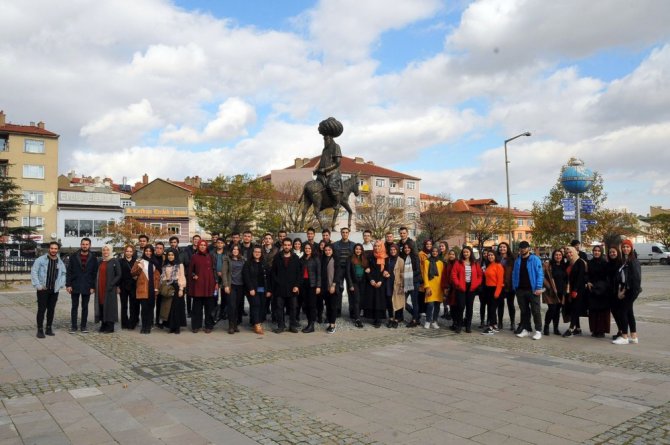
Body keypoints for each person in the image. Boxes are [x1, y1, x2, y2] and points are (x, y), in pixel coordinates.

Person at [31, 242, 67, 338]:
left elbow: (64, 273)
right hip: (43, 289)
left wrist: (60, 285)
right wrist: (38, 285)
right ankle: (40, 330)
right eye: (52, 248)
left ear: (57, 250)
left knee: (51, 310)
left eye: (55, 248)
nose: (53, 250)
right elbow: (34, 271)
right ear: (49, 249)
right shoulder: (41, 260)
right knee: (42, 310)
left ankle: (48, 328)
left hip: (54, 290)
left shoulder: (59, 262)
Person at [512, 241, 544, 340]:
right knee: (524, 311)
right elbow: (514, 274)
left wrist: (538, 287)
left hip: (533, 290)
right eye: (521, 247)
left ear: (528, 248)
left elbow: (540, 274)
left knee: (536, 310)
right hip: (520, 290)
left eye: (524, 247)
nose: (522, 249)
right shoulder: (518, 260)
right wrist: (515, 287)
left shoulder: (535, 259)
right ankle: (527, 329)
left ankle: (538, 331)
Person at [66, 237, 98, 333]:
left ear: (89, 245)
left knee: (85, 307)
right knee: (74, 306)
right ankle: (74, 326)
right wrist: (68, 285)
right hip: (75, 284)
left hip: (87, 286)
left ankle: (83, 326)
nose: (85, 246)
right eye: (83, 244)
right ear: (81, 245)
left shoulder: (93, 258)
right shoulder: (73, 256)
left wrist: (93, 286)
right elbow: (69, 271)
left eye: (86, 244)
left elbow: (94, 273)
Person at [612, 239, 642, 345]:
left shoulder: (633, 261)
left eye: (628, 247)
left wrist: (624, 292)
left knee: (623, 312)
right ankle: (634, 336)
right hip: (627, 290)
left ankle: (624, 336)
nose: (625, 249)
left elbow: (636, 279)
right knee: (629, 312)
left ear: (631, 248)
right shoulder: (625, 260)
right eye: (624, 247)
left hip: (630, 291)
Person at [271, 238, 302, 333]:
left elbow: (299, 273)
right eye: (285, 245)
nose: (287, 246)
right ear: (282, 245)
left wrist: (297, 285)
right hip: (280, 288)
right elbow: (273, 272)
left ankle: (292, 325)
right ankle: (281, 325)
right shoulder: (277, 257)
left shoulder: (295, 258)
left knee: (293, 307)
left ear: (291, 246)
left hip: (292, 288)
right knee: (279, 308)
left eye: (289, 245)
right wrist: (277, 282)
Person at [313, 116, 344, 209]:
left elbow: (337, 163)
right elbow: (322, 162)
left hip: (333, 173)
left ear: (330, 138)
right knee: (316, 187)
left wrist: (325, 169)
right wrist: (317, 170)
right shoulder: (324, 150)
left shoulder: (336, 146)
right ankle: (322, 203)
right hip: (323, 174)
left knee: (330, 185)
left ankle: (336, 202)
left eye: (326, 139)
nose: (325, 141)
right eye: (324, 139)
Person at [451, 246, 483, 333]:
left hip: (471, 288)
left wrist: (476, 284)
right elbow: (454, 274)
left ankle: (468, 326)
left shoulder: (475, 263)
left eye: (467, 252)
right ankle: (459, 325)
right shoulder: (458, 263)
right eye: (464, 252)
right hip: (461, 287)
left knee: (470, 307)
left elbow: (480, 275)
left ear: (470, 253)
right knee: (460, 306)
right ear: (462, 253)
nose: (466, 254)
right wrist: (458, 284)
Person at [188, 240, 218, 333]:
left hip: (209, 284)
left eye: (204, 245)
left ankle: (209, 326)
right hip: (198, 285)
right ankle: (196, 326)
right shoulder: (194, 257)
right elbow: (190, 270)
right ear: (198, 246)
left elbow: (215, 270)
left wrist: (216, 282)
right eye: (201, 245)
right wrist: (193, 275)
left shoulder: (211, 256)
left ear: (206, 246)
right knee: (197, 308)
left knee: (209, 307)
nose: (202, 246)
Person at [131, 245, 160, 334]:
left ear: (152, 252)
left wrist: (156, 288)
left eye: (150, 251)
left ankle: (148, 326)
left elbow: (157, 277)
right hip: (143, 288)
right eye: (146, 251)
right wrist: (140, 267)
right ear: (144, 251)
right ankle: (144, 326)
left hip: (152, 289)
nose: (148, 252)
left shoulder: (155, 262)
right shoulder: (139, 261)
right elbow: (132, 273)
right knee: (144, 309)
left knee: (151, 308)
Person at [243, 246, 272, 335]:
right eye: (255, 251)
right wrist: (250, 288)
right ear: (252, 253)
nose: (257, 253)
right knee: (256, 304)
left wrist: (269, 290)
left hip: (263, 288)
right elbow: (246, 277)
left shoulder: (264, 263)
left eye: (259, 252)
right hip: (252, 289)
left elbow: (269, 277)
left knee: (262, 305)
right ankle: (257, 324)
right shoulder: (248, 263)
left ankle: (255, 321)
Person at [95, 245, 121, 333]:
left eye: (107, 250)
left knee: (110, 306)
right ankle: (103, 324)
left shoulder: (114, 261)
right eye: (104, 250)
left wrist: (112, 284)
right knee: (101, 305)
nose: (105, 252)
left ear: (110, 251)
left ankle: (110, 326)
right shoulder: (100, 261)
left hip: (110, 287)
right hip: (100, 286)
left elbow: (119, 275)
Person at [586, 245, 611, 338]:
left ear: (601, 252)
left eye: (598, 251)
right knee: (593, 311)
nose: (596, 252)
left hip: (603, 290)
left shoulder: (605, 263)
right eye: (595, 251)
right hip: (592, 290)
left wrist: (602, 286)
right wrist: (587, 282)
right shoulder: (589, 263)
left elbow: (607, 277)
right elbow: (586, 274)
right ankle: (594, 329)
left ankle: (602, 330)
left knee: (602, 312)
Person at [562, 245, 587, 338]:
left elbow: (580, 277)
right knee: (573, 308)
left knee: (575, 309)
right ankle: (578, 328)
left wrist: (575, 290)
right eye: (567, 253)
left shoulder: (580, 262)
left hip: (578, 290)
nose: (568, 254)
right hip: (570, 289)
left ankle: (571, 328)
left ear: (575, 252)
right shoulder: (569, 263)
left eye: (570, 252)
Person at [222, 244, 246, 334]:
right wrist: (226, 285)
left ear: (239, 250)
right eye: (234, 249)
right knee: (231, 306)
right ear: (231, 250)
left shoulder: (243, 259)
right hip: (231, 285)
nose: (235, 250)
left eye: (237, 249)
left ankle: (235, 325)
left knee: (237, 306)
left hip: (241, 286)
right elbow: (224, 273)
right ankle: (231, 326)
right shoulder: (227, 259)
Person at [162, 248, 187, 334]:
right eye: (169, 255)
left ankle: (177, 327)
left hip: (177, 286)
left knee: (177, 308)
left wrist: (181, 289)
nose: (170, 256)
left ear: (175, 255)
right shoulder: (165, 265)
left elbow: (182, 276)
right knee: (169, 307)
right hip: (169, 287)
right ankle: (170, 326)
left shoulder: (180, 265)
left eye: (172, 255)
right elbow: (164, 277)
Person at [542, 250, 567, 336]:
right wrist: (548, 286)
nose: (558, 256)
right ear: (553, 256)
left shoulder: (564, 266)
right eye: (556, 255)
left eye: (560, 255)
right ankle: (546, 326)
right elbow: (542, 276)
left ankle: (556, 328)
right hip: (551, 291)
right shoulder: (548, 265)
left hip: (561, 291)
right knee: (552, 309)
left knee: (557, 310)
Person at [333, 227, 354, 318]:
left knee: (351, 289)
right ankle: (337, 310)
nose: (345, 234)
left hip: (349, 269)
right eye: (343, 232)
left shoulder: (353, 245)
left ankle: (352, 311)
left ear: (348, 233)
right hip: (339, 269)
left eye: (346, 232)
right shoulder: (335, 245)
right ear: (341, 233)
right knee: (338, 290)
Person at [481, 250, 504, 335]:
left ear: (495, 256)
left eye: (492, 255)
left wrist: (497, 293)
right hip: (488, 289)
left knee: (492, 309)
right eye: (489, 255)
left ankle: (490, 327)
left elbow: (500, 281)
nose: (490, 256)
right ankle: (494, 326)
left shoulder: (499, 266)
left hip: (495, 289)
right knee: (491, 308)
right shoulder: (489, 265)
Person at [367, 240, 388, 328]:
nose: (377, 247)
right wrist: (371, 280)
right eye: (375, 246)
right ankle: (373, 318)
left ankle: (379, 319)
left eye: (379, 246)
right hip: (372, 282)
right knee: (373, 300)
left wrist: (380, 281)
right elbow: (367, 269)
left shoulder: (386, 257)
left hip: (381, 282)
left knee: (380, 301)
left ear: (382, 247)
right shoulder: (370, 256)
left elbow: (386, 270)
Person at [496, 242, 516, 331]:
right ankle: (500, 322)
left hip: (510, 285)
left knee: (510, 304)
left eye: (504, 247)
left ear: (507, 248)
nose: (502, 249)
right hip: (499, 285)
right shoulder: (496, 258)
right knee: (500, 305)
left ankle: (512, 322)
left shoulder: (512, 259)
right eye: (500, 247)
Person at [320, 244, 340, 333]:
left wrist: (333, 285)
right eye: (326, 250)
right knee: (328, 306)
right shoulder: (322, 259)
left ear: (332, 250)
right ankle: (329, 320)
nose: (328, 252)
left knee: (333, 306)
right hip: (325, 287)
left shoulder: (336, 259)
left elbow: (338, 273)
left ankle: (333, 325)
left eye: (329, 250)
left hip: (333, 286)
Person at [422, 246, 443, 329]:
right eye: (433, 251)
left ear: (438, 252)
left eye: (436, 251)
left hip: (438, 287)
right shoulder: (426, 262)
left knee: (437, 305)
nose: (434, 253)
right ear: (431, 252)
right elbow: (425, 274)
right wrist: (427, 286)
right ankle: (427, 321)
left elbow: (442, 276)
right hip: (430, 286)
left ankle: (434, 321)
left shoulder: (441, 263)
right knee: (430, 305)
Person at [346, 244, 367, 328]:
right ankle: (357, 319)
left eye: (360, 249)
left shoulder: (364, 259)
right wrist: (350, 284)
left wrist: (367, 269)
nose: (358, 250)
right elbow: (347, 272)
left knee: (361, 300)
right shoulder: (350, 258)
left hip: (363, 282)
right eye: (356, 249)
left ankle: (357, 314)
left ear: (362, 250)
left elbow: (367, 268)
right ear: (354, 250)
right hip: (354, 282)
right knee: (356, 300)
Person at [180, 234, 201, 318]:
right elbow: (184, 261)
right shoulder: (186, 249)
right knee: (188, 294)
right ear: (192, 240)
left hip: (198, 274)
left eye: (198, 239)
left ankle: (195, 310)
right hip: (188, 274)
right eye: (195, 239)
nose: (196, 241)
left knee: (197, 294)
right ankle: (189, 311)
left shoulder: (202, 250)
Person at [384, 244, 405, 328]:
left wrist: (402, 285)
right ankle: (391, 318)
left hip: (398, 283)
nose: (393, 251)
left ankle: (397, 319)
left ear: (397, 250)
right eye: (391, 250)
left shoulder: (401, 260)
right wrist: (385, 272)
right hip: (388, 282)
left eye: (394, 250)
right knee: (389, 300)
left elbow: (403, 273)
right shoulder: (387, 259)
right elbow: (384, 269)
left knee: (398, 301)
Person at [401, 243, 422, 327]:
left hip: (414, 282)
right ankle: (416, 315)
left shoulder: (415, 257)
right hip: (405, 282)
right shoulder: (402, 257)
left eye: (408, 248)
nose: (406, 249)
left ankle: (414, 320)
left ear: (411, 248)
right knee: (403, 302)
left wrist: (407, 274)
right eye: (405, 248)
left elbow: (418, 271)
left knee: (414, 302)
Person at [118, 245, 137, 330]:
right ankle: (124, 323)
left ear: (133, 252)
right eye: (127, 251)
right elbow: (118, 275)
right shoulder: (120, 261)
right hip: (123, 285)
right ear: (124, 252)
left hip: (133, 286)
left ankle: (132, 323)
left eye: (130, 251)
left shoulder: (136, 262)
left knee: (133, 305)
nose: (128, 253)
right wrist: (117, 286)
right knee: (124, 305)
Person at [210, 238, 227, 322]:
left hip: (224, 278)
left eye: (221, 243)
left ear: (224, 244)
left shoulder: (227, 254)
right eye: (218, 243)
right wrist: (216, 273)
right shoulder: (212, 254)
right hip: (214, 278)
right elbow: (210, 266)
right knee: (215, 296)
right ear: (216, 244)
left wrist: (223, 273)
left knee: (224, 296)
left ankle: (223, 313)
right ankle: (214, 313)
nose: (219, 244)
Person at [441, 249, 458, 330]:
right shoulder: (447, 264)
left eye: (453, 254)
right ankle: (454, 322)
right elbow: (444, 276)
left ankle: (458, 322)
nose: (451, 256)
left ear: (456, 256)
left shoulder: (458, 264)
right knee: (451, 306)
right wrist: (445, 287)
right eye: (450, 254)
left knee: (457, 306)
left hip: (457, 288)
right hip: (449, 288)